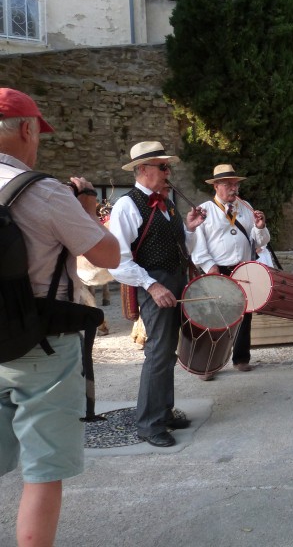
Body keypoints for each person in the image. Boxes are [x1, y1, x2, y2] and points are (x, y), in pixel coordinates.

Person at [0, 88, 120, 547]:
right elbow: (105, 253)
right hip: (42, 345)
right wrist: (85, 208)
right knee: (42, 472)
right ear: (27, 129)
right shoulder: (44, 192)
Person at [107, 141, 206, 447]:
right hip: (155, 284)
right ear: (143, 170)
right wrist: (151, 285)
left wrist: (188, 229)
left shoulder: (168, 204)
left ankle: (163, 411)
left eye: (168, 166)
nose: (168, 172)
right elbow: (117, 260)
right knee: (158, 353)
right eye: (163, 167)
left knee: (168, 351)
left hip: (174, 279)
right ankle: (149, 423)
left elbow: (180, 249)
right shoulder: (127, 205)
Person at [191, 164, 270, 379]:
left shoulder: (245, 207)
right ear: (216, 186)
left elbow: (260, 242)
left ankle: (241, 358)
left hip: (243, 268)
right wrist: (210, 267)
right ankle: (208, 365)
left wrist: (261, 227)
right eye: (228, 184)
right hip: (217, 268)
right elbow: (198, 245)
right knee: (214, 318)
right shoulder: (204, 209)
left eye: (235, 184)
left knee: (245, 315)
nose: (234, 188)